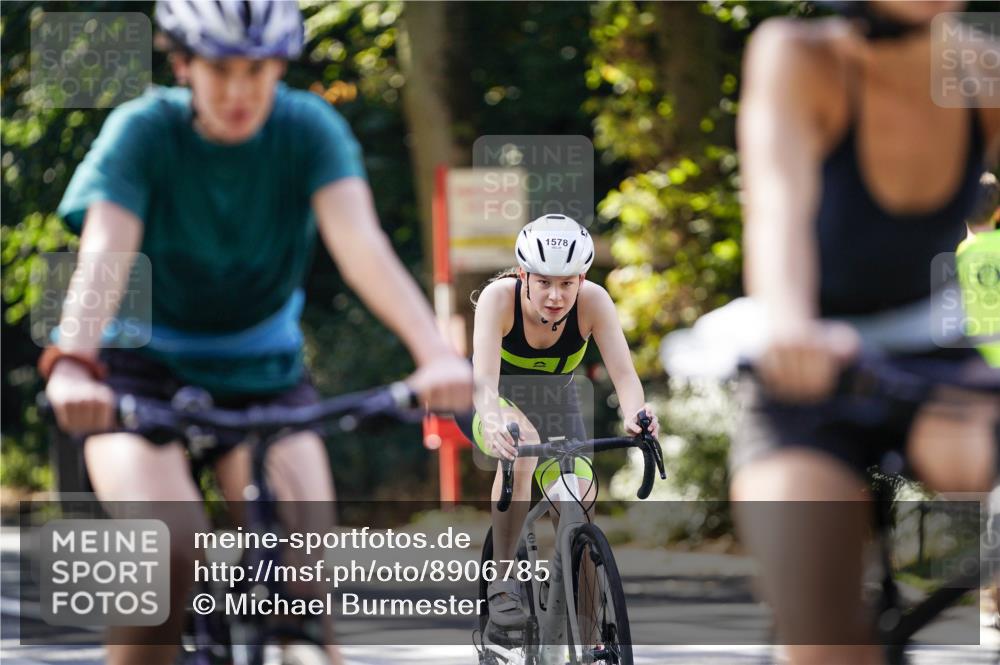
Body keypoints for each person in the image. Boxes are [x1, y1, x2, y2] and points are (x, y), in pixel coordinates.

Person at [40, 2, 472, 665]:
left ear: (279, 67)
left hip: (262, 374)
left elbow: (361, 245)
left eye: (258, 70)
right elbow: (106, 252)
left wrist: (435, 354)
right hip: (138, 371)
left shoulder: (307, 129)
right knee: (168, 549)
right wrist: (73, 360)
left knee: (304, 570)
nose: (240, 92)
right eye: (219, 69)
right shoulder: (144, 132)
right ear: (182, 64)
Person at [729, 1, 999, 663]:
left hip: (934, 368)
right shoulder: (798, 54)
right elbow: (777, 207)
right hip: (807, 368)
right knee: (821, 627)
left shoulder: (983, 71)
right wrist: (792, 326)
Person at [457, 214, 659, 631]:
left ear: (581, 279)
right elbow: (483, 385)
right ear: (522, 275)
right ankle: (503, 580)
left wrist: (636, 416)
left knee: (578, 502)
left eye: (567, 283)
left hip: (555, 405)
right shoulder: (498, 298)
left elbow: (624, 376)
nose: (555, 295)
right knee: (521, 444)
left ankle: (585, 636)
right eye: (544, 282)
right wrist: (494, 421)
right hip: (491, 398)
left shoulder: (594, 301)